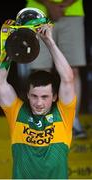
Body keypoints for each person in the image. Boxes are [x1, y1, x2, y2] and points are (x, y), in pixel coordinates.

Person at [0, 24, 76, 179]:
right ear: (28, 95)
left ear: (54, 97)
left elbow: (68, 78)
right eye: (35, 96)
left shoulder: (64, 114)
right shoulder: (16, 112)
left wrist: (49, 41)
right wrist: (9, 48)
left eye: (45, 97)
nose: (39, 103)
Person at [25, 0, 87, 138]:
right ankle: (42, 122)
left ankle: (72, 121)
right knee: (41, 72)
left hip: (72, 12)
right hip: (37, 12)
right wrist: (49, 4)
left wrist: (64, 4)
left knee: (72, 70)